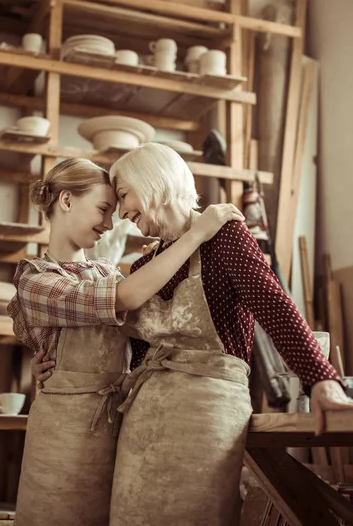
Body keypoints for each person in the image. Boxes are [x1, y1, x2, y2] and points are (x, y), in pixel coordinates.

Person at [32, 144, 352, 526]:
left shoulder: (225, 237)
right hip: (142, 415)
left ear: (151, 181)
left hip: (207, 411)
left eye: (122, 195)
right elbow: (129, 347)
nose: (119, 213)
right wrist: (57, 362)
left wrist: (321, 380)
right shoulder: (146, 263)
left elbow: (273, 304)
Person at [7, 156, 243, 526]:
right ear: (66, 201)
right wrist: (196, 234)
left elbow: (145, 333)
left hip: (120, 420)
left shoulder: (107, 271)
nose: (109, 223)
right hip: (64, 429)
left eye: (114, 212)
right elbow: (122, 300)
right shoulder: (36, 279)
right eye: (103, 209)